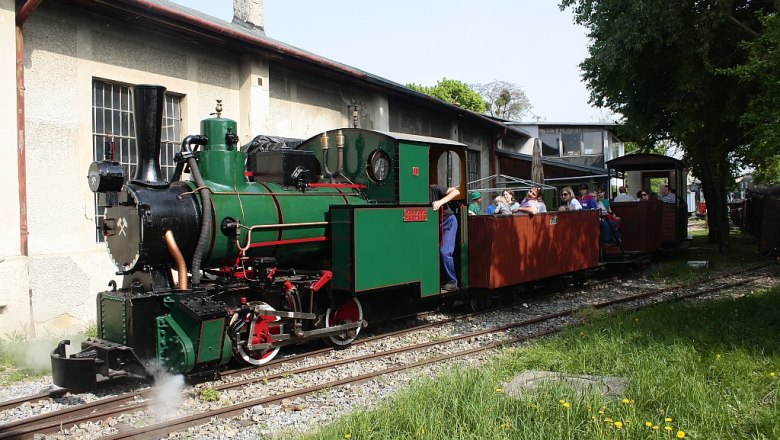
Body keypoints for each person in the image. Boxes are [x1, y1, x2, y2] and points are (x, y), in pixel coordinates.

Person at [430, 184, 460, 291]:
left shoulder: (434, 188)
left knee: (445, 251)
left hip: (448, 222)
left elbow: (456, 192)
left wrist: (440, 202)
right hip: (434, 225)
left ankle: (452, 281)